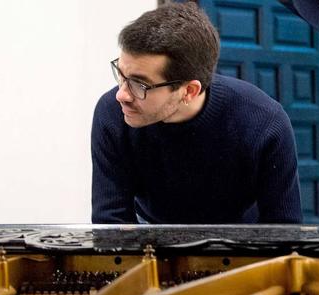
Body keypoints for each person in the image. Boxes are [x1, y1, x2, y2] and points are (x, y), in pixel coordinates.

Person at [91, 2, 302, 224]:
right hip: (151, 233)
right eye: (121, 75)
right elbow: (111, 222)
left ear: (189, 91)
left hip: (242, 236)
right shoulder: (112, 113)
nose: (121, 95)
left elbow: (285, 228)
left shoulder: (265, 122)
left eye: (139, 84)